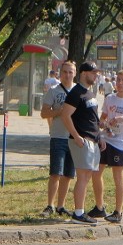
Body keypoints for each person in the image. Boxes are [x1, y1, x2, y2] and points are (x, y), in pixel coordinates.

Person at [91, 70, 123, 223]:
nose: (120, 83)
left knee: (117, 176)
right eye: (118, 80)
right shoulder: (109, 98)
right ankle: (99, 207)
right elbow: (103, 117)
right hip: (106, 139)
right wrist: (102, 124)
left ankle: (118, 212)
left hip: (120, 144)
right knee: (96, 172)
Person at [61, 61, 105, 225]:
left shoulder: (90, 93)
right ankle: (78, 213)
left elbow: (92, 119)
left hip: (93, 140)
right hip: (82, 141)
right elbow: (66, 115)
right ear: (84, 73)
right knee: (83, 177)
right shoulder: (76, 93)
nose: (96, 75)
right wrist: (76, 136)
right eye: (93, 72)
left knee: (87, 176)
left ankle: (81, 211)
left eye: (96, 73)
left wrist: (100, 136)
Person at [39, 61, 77, 218]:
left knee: (68, 174)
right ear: (60, 73)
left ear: (75, 73)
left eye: (70, 72)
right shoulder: (53, 91)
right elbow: (44, 113)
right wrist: (59, 111)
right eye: (65, 72)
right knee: (56, 172)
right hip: (58, 136)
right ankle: (50, 205)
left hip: (74, 137)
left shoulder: (79, 91)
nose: (67, 75)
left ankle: (61, 205)